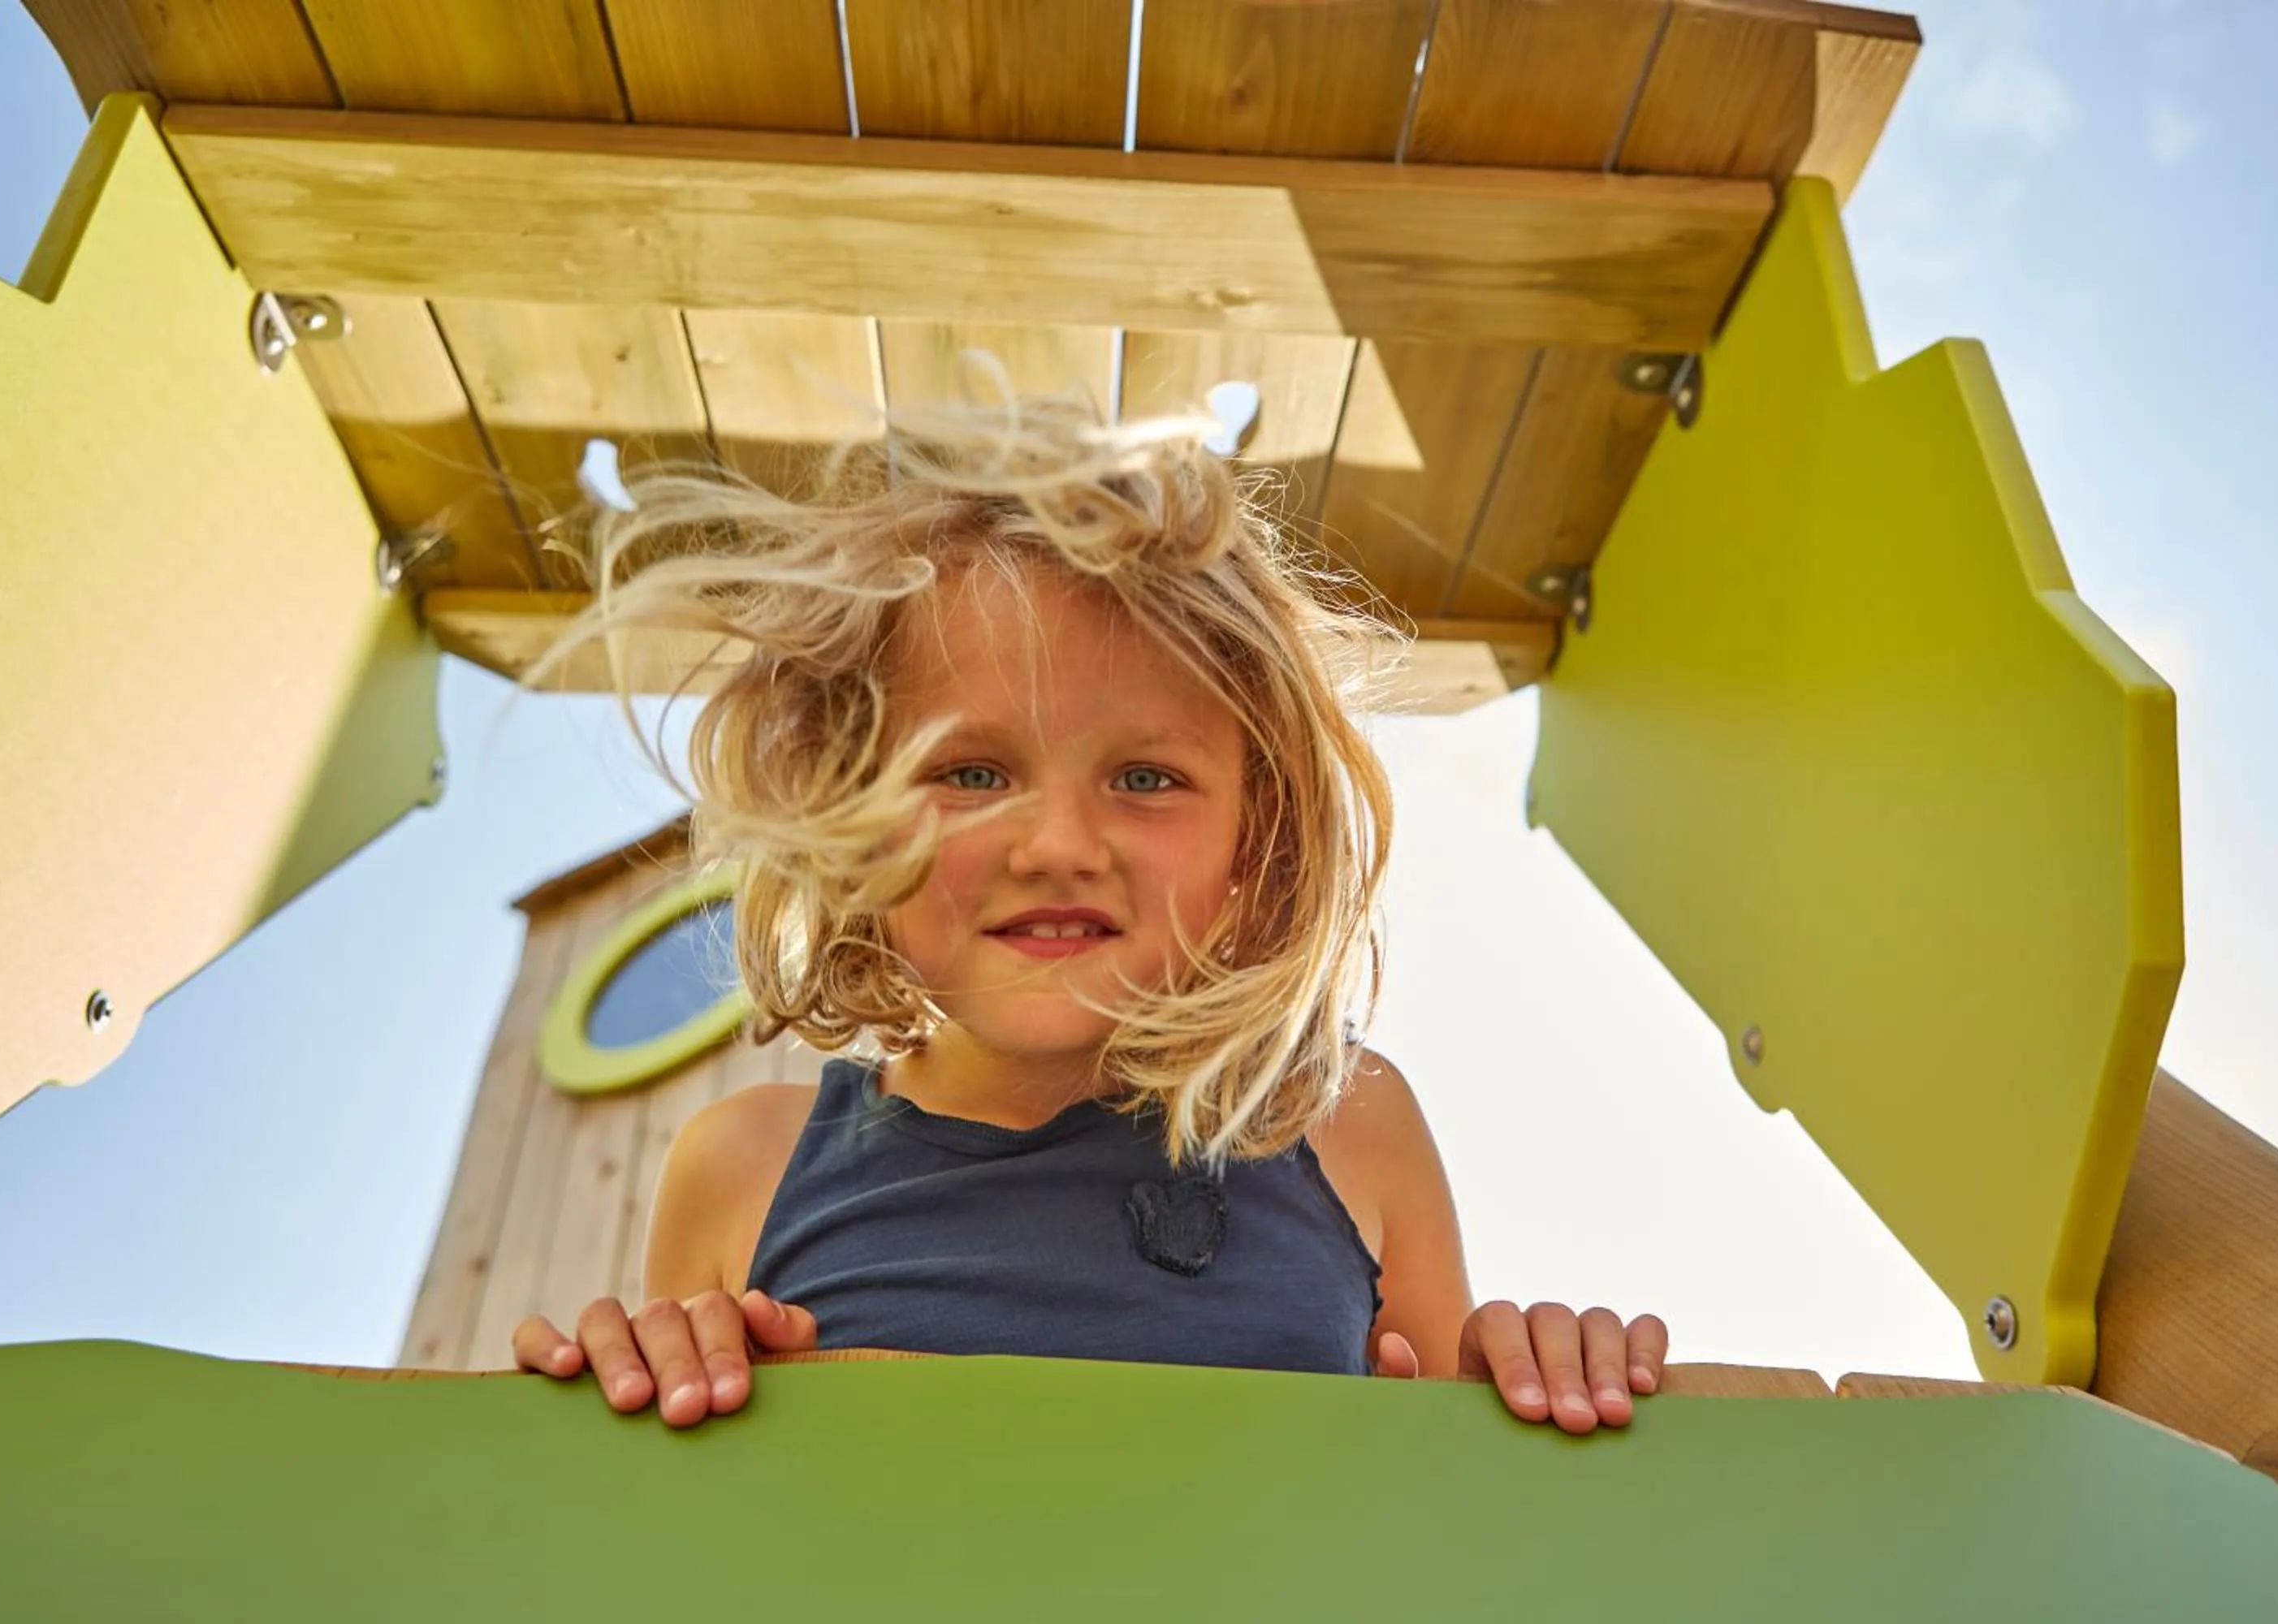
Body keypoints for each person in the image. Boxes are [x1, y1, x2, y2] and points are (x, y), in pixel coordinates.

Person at [508, 382, 1667, 1432]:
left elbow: (1455, 1508)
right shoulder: (743, 1166)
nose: (1058, 845)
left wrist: (1543, 1373)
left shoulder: (1343, 1120)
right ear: (846, 817)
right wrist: (647, 1367)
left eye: (1146, 779)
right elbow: (679, 1525)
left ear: (1253, 837)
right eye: (969, 774)